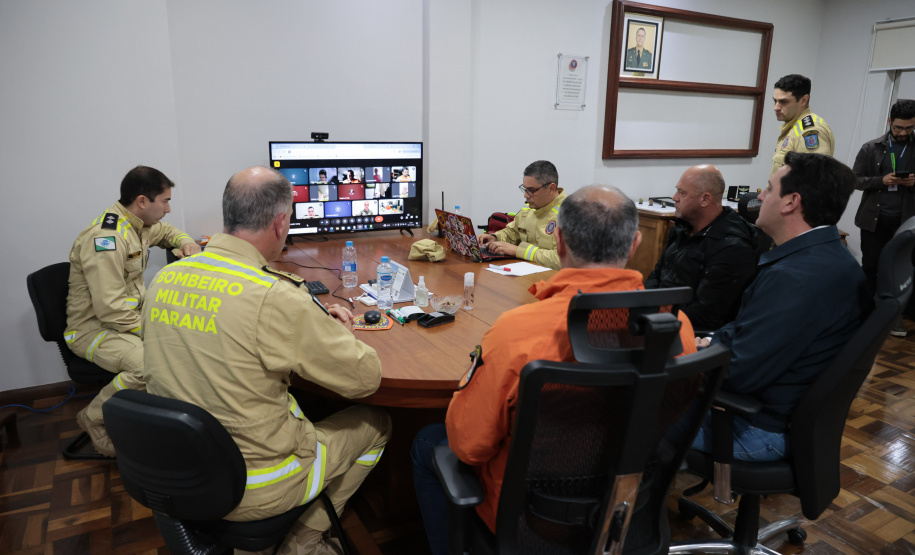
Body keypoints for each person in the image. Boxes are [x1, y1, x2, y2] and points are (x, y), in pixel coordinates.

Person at [412, 185, 698, 554]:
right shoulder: (677, 328)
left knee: (426, 441)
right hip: (626, 511)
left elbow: (469, 447)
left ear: (558, 241)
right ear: (635, 244)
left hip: (528, 521)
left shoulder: (518, 332)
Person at [143, 166, 390, 554]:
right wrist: (341, 334)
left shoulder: (165, 279)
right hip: (257, 486)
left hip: (180, 471)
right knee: (377, 423)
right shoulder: (276, 296)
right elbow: (365, 379)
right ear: (280, 223)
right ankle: (305, 540)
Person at [693, 152, 870, 461]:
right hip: (779, 416)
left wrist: (682, 359)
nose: (760, 197)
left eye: (769, 188)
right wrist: (712, 341)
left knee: (625, 412)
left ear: (791, 202)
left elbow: (737, 373)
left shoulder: (796, 277)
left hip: (756, 428)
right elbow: (752, 334)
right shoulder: (830, 257)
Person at [66, 165, 200, 456]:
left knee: (183, 340)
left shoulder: (139, 225)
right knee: (148, 364)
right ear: (142, 201)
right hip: (93, 329)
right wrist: (155, 331)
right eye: (165, 201)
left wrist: (186, 242)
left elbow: (168, 231)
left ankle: (156, 418)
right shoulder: (107, 239)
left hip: (124, 322)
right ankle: (93, 418)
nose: (168, 209)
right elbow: (111, 310)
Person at [645, 164, 758, 331]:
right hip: (661, 319)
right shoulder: (682, 227)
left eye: (682, 193)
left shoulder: (732, 246)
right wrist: (644, 306)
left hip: (694, 331)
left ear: (705, 199)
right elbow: (658, 274)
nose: (674, 197)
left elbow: (707, 313)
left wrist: (656, 317)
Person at [853, 99, 915, 336]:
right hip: (874, 220)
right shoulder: (871, 147)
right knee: (870, 267)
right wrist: (882, 181)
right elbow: (855, 179)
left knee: (901, 270)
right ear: (890, 121)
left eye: (909, 128)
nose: (903, 133)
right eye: (898, 127)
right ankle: (864, 315)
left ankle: (895, 317)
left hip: (906, 222)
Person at [478, 160, 566, 270]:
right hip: (525, 273)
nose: (526, 195)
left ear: (551, 188)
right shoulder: (530, 207)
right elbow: (513, 232)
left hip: (552, 277)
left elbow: (561, 260)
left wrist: (518, 251)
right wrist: (494, 237)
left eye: (531, 190)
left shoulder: (570, 214)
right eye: (525, 189)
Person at [770, 74, 835, 175]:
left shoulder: (809, 131)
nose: (776, 107)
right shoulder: (794, 128)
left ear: (803, 100)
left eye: (783, 102)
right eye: (775, 101)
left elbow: (814, 179)